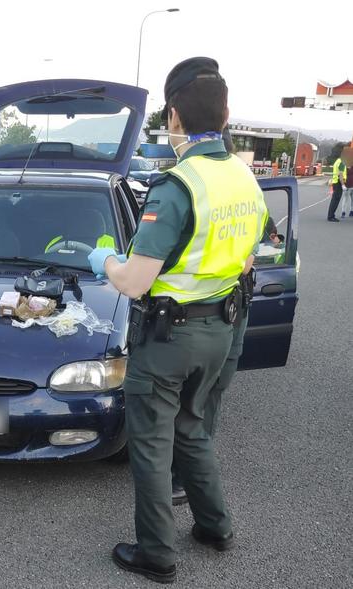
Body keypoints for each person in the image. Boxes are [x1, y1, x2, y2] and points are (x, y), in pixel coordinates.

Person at [88, 57, 267, 584]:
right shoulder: (244, 178)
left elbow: (135, 281)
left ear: (174, 118)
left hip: (168, 338)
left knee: (151, 442)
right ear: (227, 113)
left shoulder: (177, 186)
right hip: (221, 330)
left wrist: (104, 262)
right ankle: (215, 526)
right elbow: (249, 259)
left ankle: (156, 554)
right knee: (193, 428)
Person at [170, 126, 261, 507]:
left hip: (208, 312)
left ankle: (184, 477)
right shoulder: (246, 183)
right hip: (229, 308)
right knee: (206, 395)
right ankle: (194, 488)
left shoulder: (190, 185)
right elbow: (252, 252)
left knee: (197, 398)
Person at [327, 154, 348, 222]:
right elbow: (340, 174)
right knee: (335, 200)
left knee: (334, 200)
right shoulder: (342, 162)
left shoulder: (337, 161)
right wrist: (343, 185)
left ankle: (330, 215)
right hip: (338, 183)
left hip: (336, 182)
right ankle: (331, 216)